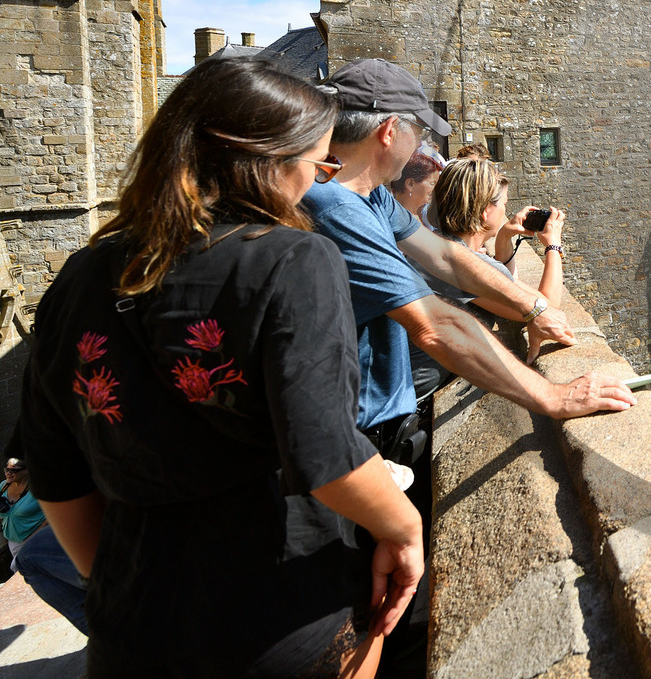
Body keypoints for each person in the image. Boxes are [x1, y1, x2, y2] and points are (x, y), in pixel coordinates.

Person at [19, 58, 423, 678]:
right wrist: (404, 526)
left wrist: (112, 579)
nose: (317, 182)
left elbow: (56, 468)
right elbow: (326, 456)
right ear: (269, 161)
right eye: (319, 165)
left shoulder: (83, 272)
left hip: (134, 620)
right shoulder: (294, 259)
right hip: (279, 612)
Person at [300, 58, 631, 453]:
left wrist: (532, 308)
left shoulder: (368, 195)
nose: (421, 146)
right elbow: (434, 325)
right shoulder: (337, 208)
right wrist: (555, 398)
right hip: (347, 435)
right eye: (419, 132)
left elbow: (445, 256)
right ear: (389, 131)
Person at [426, 159, 567, 342]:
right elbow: (547, 307)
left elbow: (508, 285)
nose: (504, 212)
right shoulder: (467, 264)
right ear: (485, 211)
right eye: (504, 205)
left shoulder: (432, 244)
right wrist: (553, 245)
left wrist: (504, 237)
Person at [388, 144, 445, 225]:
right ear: (410, 184)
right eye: (432, 183)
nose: (437, 188)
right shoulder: (397, 221)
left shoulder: (422, 216)